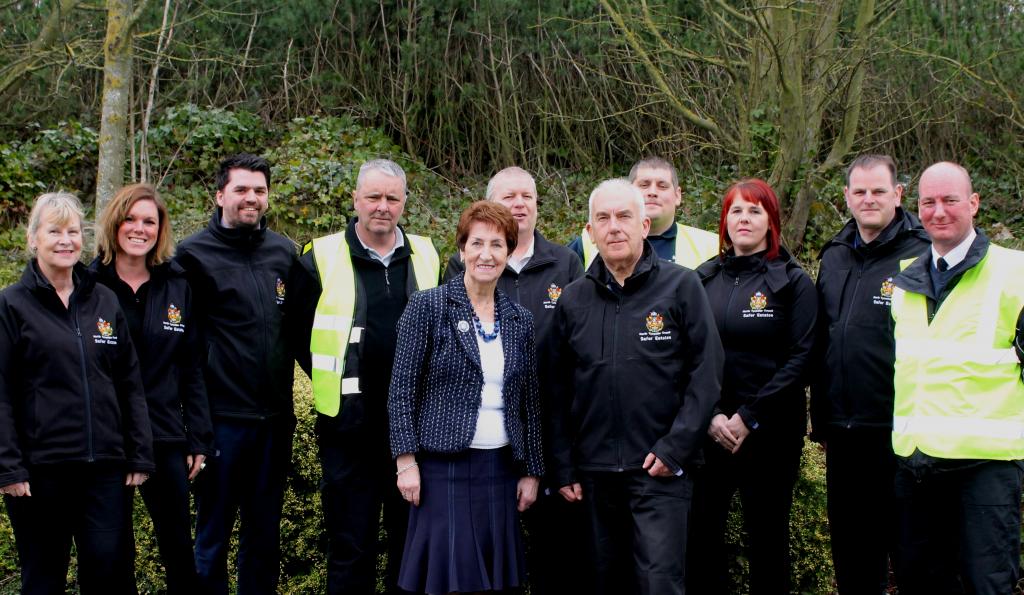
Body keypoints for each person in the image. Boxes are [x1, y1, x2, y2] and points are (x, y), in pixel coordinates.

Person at [549, 178, 723, 595]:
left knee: (659, 584)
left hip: (659, 471)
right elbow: (555, 389)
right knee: (603, 584)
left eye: (625, 216)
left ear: (645, 225)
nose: (614, 227)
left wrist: (675, 448)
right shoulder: (572, 301)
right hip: (592, 476)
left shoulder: (681, 286)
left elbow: (707, 373)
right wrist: (564, 466)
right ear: (588, 233)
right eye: (603, 219)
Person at [290, 159, 440, 594]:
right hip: (347, 431)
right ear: (355, 199)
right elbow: (303, 339)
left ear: (404, 203)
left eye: (392, 198)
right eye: (373, 197)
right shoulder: (318, 257)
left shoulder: (428, 255)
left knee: (409, 548)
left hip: (412, 433)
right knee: (349, 547)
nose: (382, 206)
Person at [0, 192, 154, 594]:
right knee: (43, 577)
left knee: (109, 574)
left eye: (72, 231)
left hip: (105, 470)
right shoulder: (11, 306)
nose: (65, 240)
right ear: (34, 239)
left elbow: (129, 383)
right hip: (40, 473)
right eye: (54, 231)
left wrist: (139, 452)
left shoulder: (103, 300)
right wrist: (9, 467)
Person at [388, 201, 544, 595]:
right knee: (449, 582)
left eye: (497, 244)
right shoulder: (428, 306)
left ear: (509, 253)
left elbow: (529, 401)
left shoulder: (519, 318)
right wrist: (406, 462)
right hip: (443, 471)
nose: (486, 254)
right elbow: (401, 391)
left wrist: (532, 470)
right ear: (462, 249)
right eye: (477, 243)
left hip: (501, 470)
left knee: (496, 583)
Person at [442, 166, 583, 594]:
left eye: (528, 196)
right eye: (509, 196)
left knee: (553, 552)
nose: (519, 204)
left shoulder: (567, 262)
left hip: (553, 428)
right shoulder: (464, 264)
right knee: (489, 555)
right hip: (491, 433)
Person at [889, 161, 1024, 595]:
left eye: (950, 200)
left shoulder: (1014, 272)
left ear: (974, 203)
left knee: (988, 585)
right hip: (917, 467)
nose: (938, 211)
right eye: (928, 202)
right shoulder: (907, 279)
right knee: (920, 582)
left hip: (984, 469)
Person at [175, 154, 298, 594]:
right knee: (211, 539)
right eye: (242, 189)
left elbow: (301, 330)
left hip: (275, 422)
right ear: (220, 194)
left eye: (259, 190)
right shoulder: (191, 256)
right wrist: (196, 430)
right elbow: (182, 348)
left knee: (263, 538)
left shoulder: (285, 253)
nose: (252, 198)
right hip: (223, 424)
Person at [687, 179, 817, 594]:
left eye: (755, 211)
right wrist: (710, 416)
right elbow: (684, 354)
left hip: (771, 433)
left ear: (771, 221)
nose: (744, 219)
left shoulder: (793, 283)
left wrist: (748, 417)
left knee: (767, 539)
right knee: (702, 537)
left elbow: (802, 359)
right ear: (724, 221)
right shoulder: (700, 279)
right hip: (710, 431)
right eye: (736, 211)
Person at [810, 155, 929, 593]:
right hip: (843, 433)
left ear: (898, 195)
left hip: (900, 432)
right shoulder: (836, 254)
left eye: (879, 191)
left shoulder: (923, 252)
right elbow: (823, 337)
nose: (868, 199)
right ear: (845, 197)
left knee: (911, 553)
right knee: (854, 556)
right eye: (859, 192)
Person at [90, 183, 214, 594]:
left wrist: (198, 435)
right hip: (108, 437)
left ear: (160, 230)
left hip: (164, 434)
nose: (139, 229)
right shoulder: (87, 284)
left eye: (150, 221)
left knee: (178, 547)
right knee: (112, 552)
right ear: (115, 223)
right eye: (131, 219)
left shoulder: (177, 284)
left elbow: (192, 366)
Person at [568, 157, 718, 269]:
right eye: (644, 185)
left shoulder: (711, 246)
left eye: (662, 186)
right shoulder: (587, 242)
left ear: (678, 195)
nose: (652, 192)